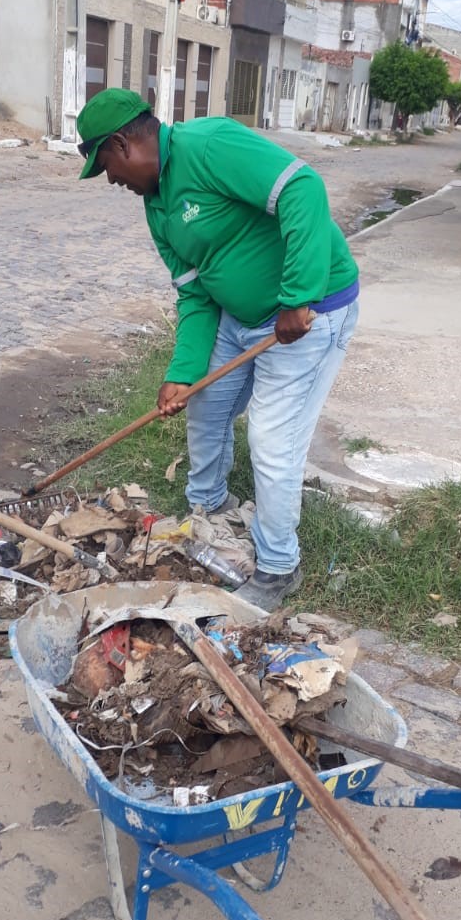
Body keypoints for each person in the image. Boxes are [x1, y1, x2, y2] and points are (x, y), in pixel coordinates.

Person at [76, 89, 360, 611]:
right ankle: (210, 509)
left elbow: (303, 188)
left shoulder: (209, 145)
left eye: (106, 167)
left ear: (121, 144)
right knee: (205, 408)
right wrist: (182, 373)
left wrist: (297, 296)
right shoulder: (157, 206)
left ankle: (278, 568)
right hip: (238, 318)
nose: (111, 180)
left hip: (307, 317)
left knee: (272, 441)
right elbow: (195, 293)